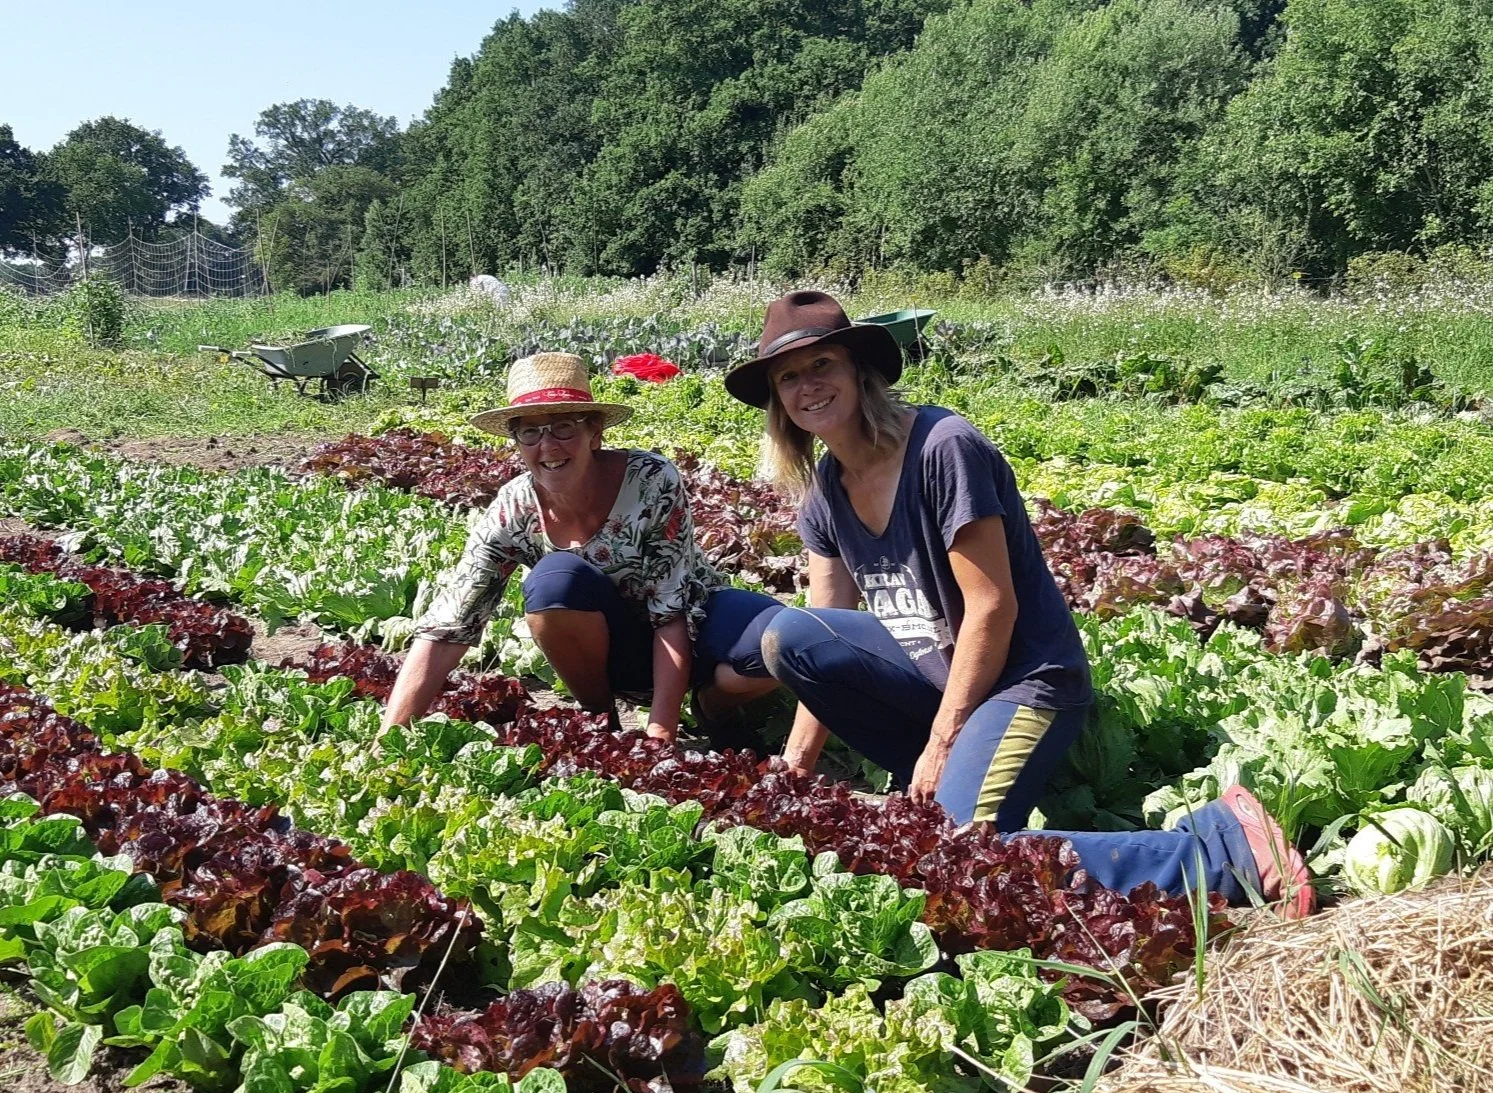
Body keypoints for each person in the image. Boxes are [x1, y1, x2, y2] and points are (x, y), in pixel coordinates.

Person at [725, 290, 1315, 916]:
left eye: (823, 365)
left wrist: (943, 741)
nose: (808, 387)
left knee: (953, 856)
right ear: (777, 402)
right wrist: (790, 777)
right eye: (789, 377)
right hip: (943, 685)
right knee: (788, 635)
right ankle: (954, 782)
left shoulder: (942, 448)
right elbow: (825, 629)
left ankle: (1226, 850)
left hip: (1024, 681)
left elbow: (992, 608)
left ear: (859, 370)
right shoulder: (826, 491)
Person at [379, 352, 781, 745]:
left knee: (780, 643)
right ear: (517, 440)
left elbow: (670, 611)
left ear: (595, 431)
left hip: (695, 619)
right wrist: (391, 735)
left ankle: (714, 706)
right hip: (620, 653)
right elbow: (452, 622)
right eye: (530, 431)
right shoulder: (514, 507)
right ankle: (601, 720)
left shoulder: (650, 480)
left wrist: (661, 732)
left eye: (564, 427)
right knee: (554, 581)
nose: (548, 446)